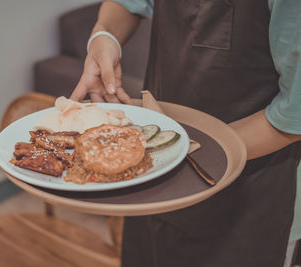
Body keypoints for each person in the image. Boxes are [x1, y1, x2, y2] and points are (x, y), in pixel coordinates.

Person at [70, 0, 301, 266]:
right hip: (155, 175)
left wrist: (188, 149)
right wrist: (105, 35)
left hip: (247, 196)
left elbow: (293, 116)